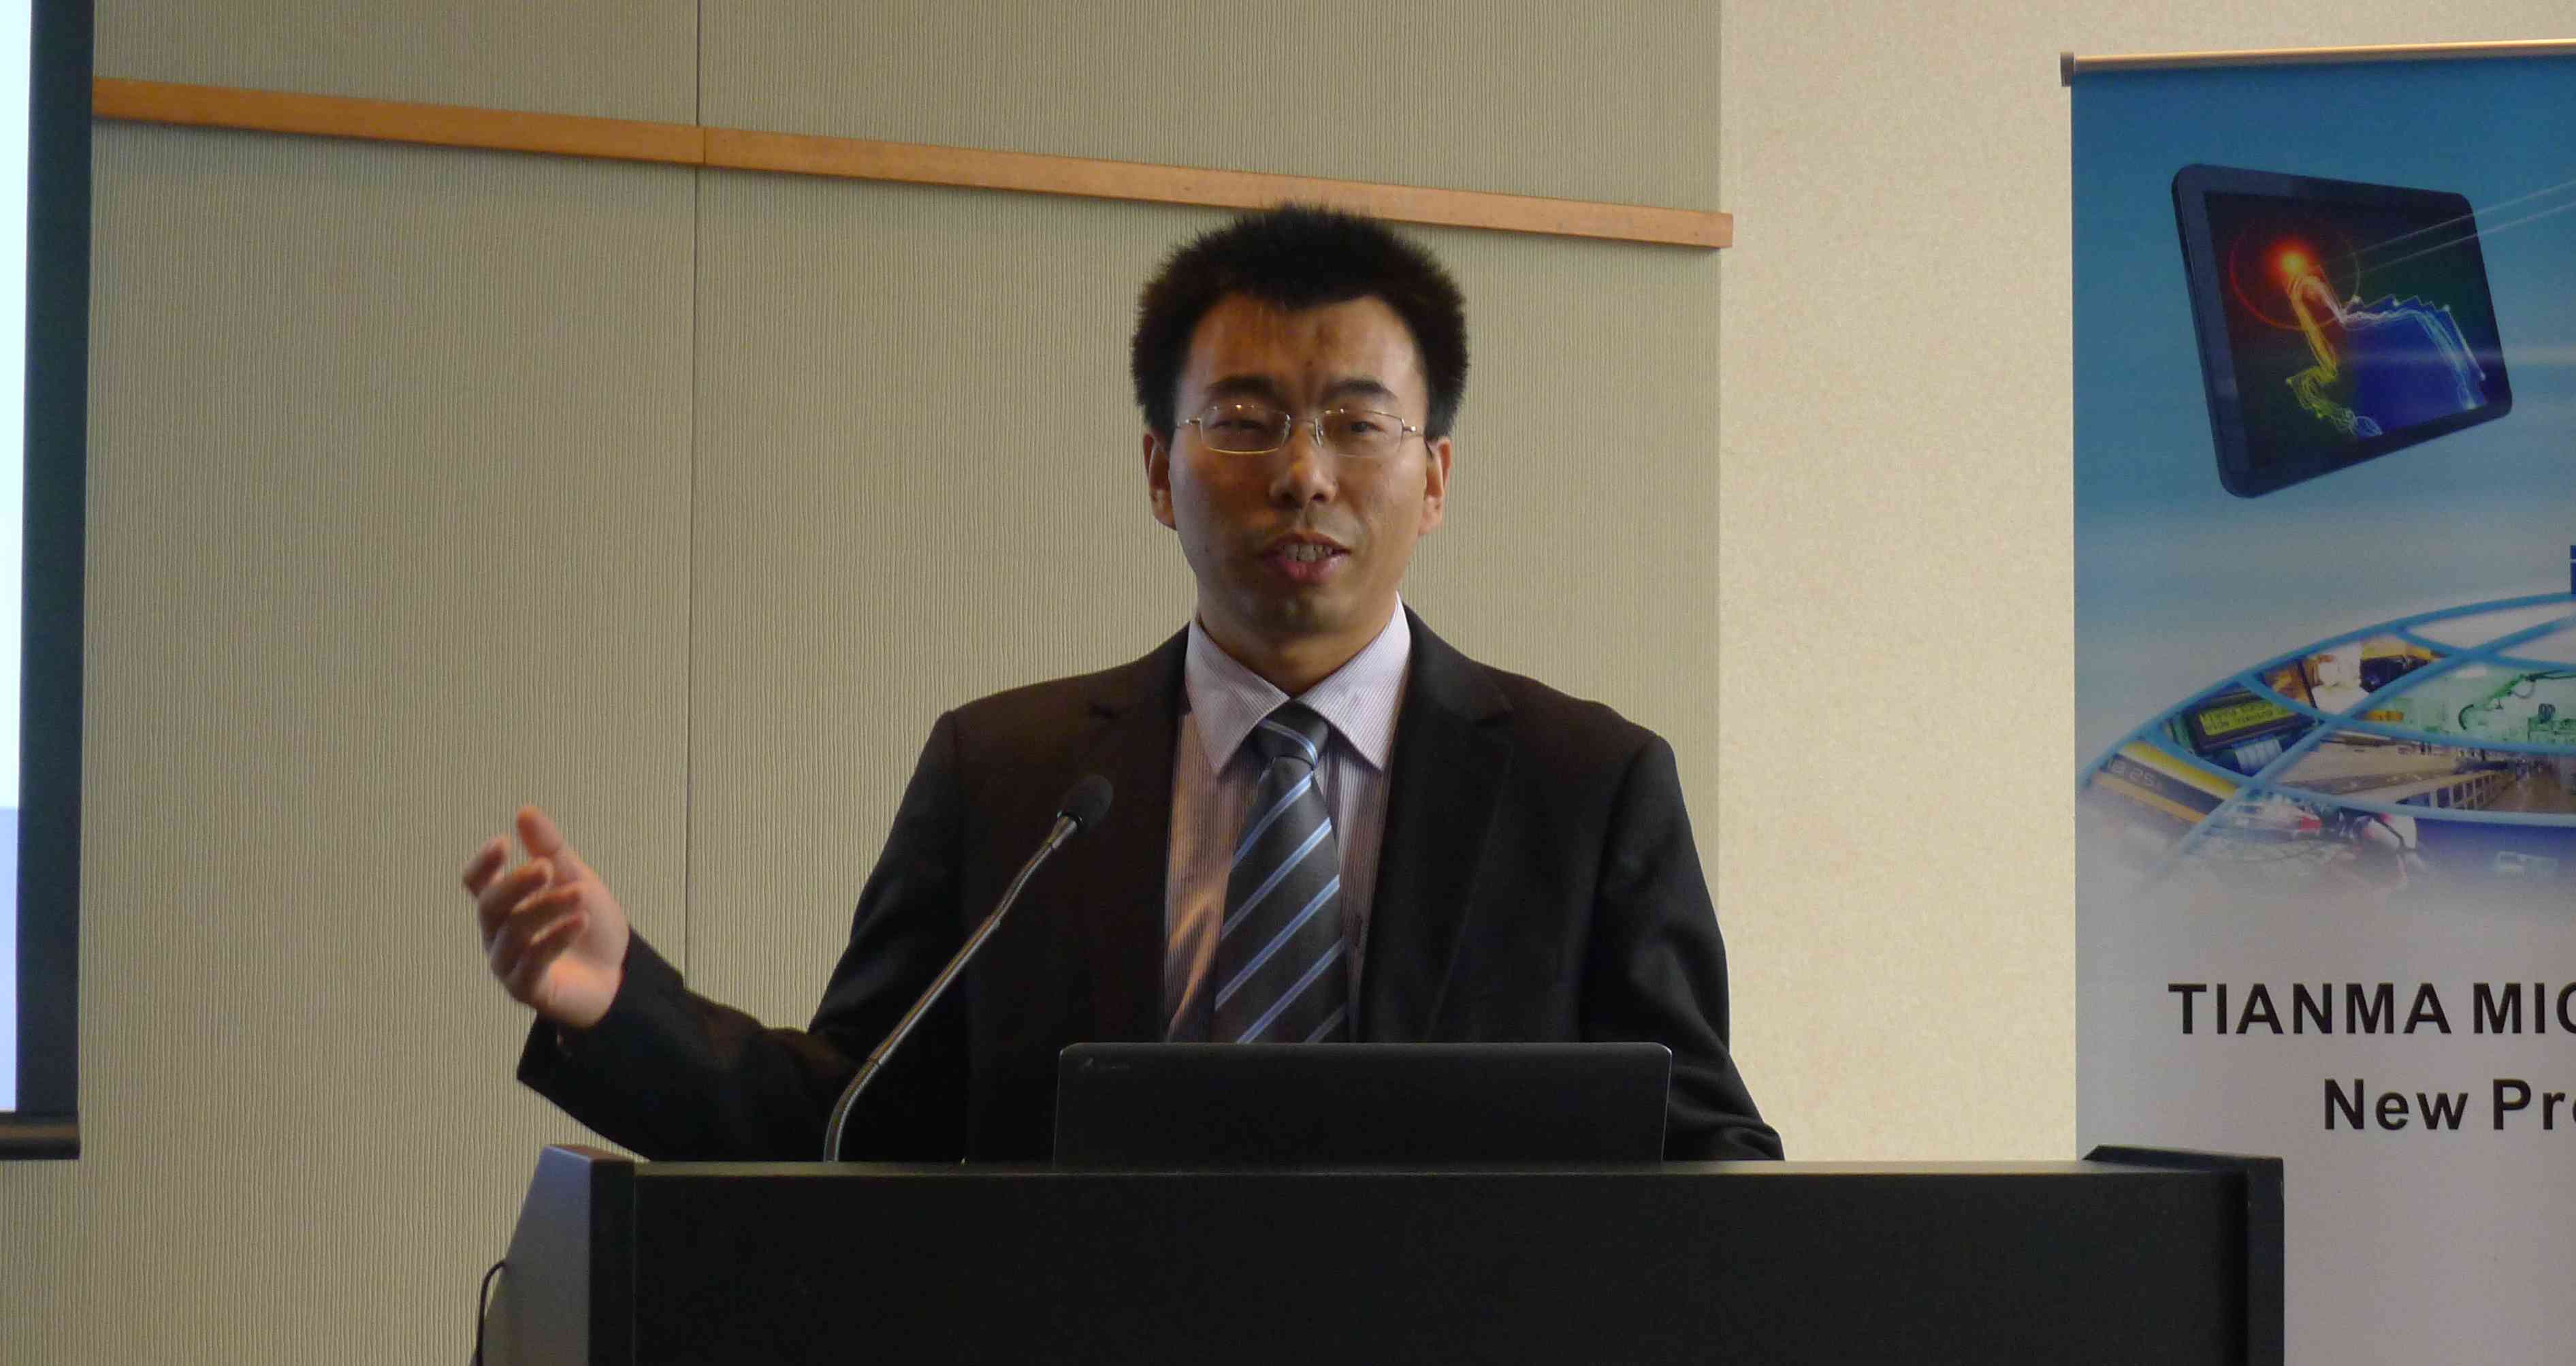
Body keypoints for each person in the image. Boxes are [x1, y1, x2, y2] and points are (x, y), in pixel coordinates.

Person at [462, 205, 1780, 1162]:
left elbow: (1706, 1160)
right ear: (1160, 471)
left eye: (1358, 424)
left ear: (1432, 477)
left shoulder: (1583, 789)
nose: (1304, 475)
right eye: (1246, 422)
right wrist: (623, 1006)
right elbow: (855, 1123)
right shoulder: (1014, 777)